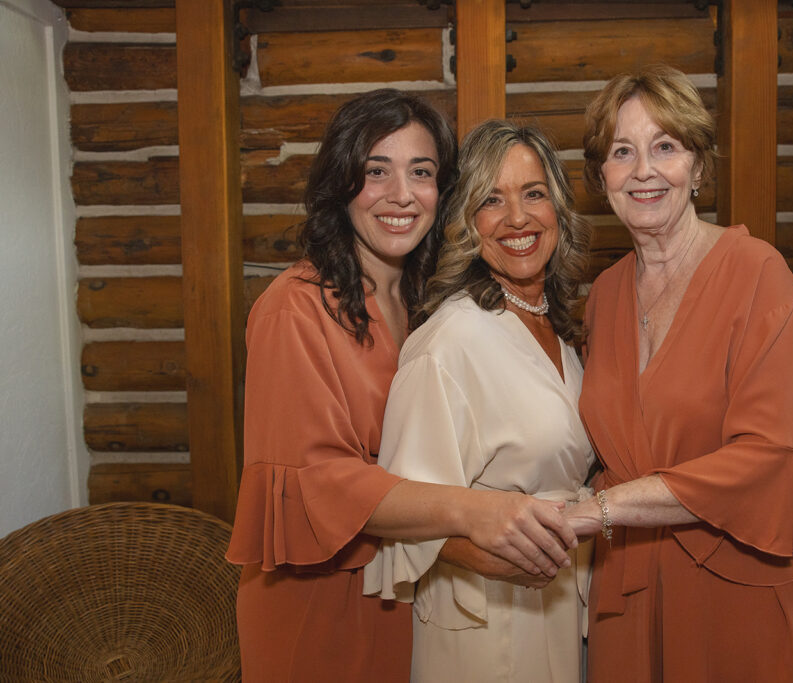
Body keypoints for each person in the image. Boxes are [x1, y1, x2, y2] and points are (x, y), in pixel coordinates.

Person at [225, 91, 577, 683]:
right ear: (341, 183)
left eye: (421, 172)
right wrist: (479, 512)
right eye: (376, 171)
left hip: (402, 595)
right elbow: (320, 483)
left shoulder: (423, 301)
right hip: (320, 601)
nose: (401, 194)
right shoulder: (294, 307)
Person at [563, 65, 793, 682]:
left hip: (742, 583)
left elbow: (772, 459)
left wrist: (599, 509)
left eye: (665, 146)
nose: (644, 170)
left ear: (697, 167)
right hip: (632, 585)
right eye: (622, 152)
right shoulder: (603, 295)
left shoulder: (759, 275)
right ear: (602, 177)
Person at [363, 120, 595, 683]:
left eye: (533, 193)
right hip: (487, 620)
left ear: (558, 208)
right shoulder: (450, 341)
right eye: (491, 200)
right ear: (465, 220)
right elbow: (402, 508)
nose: (517, 218)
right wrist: (499, 558)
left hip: (561, 602)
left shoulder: (563, 331)